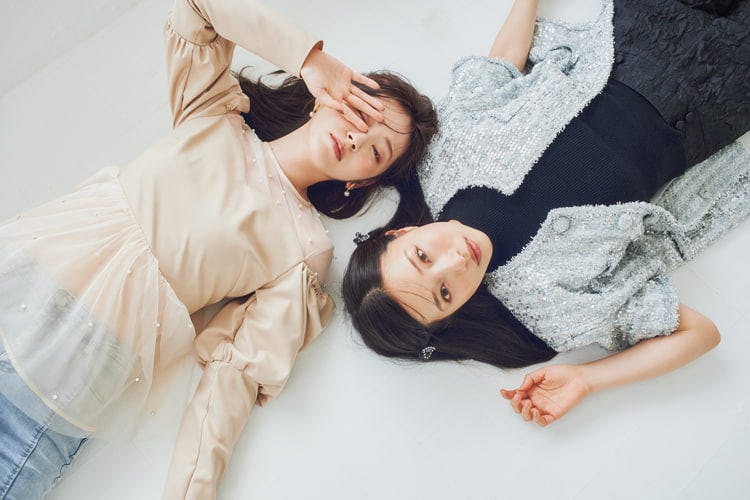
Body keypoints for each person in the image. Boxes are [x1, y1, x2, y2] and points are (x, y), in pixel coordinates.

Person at [0, 0, 437, 498]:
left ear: (364, 182)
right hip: (19, 276)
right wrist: (311, 59)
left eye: (376, 151)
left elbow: (233, 379)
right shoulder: (214, 110)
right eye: (359, 110)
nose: (358, 137)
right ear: (327, 97)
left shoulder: (305, 251)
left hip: (68, 372)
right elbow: (197, 7)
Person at [343, 0, 749, 427]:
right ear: (454, 313)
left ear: (400, 233)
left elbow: (499, 67)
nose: (456, 262)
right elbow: (700, 334)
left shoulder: (441, 162)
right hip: (714, 100)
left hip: (642, 32)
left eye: (422, 256)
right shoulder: (550, 308)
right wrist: (587, 379)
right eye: (445, 293)